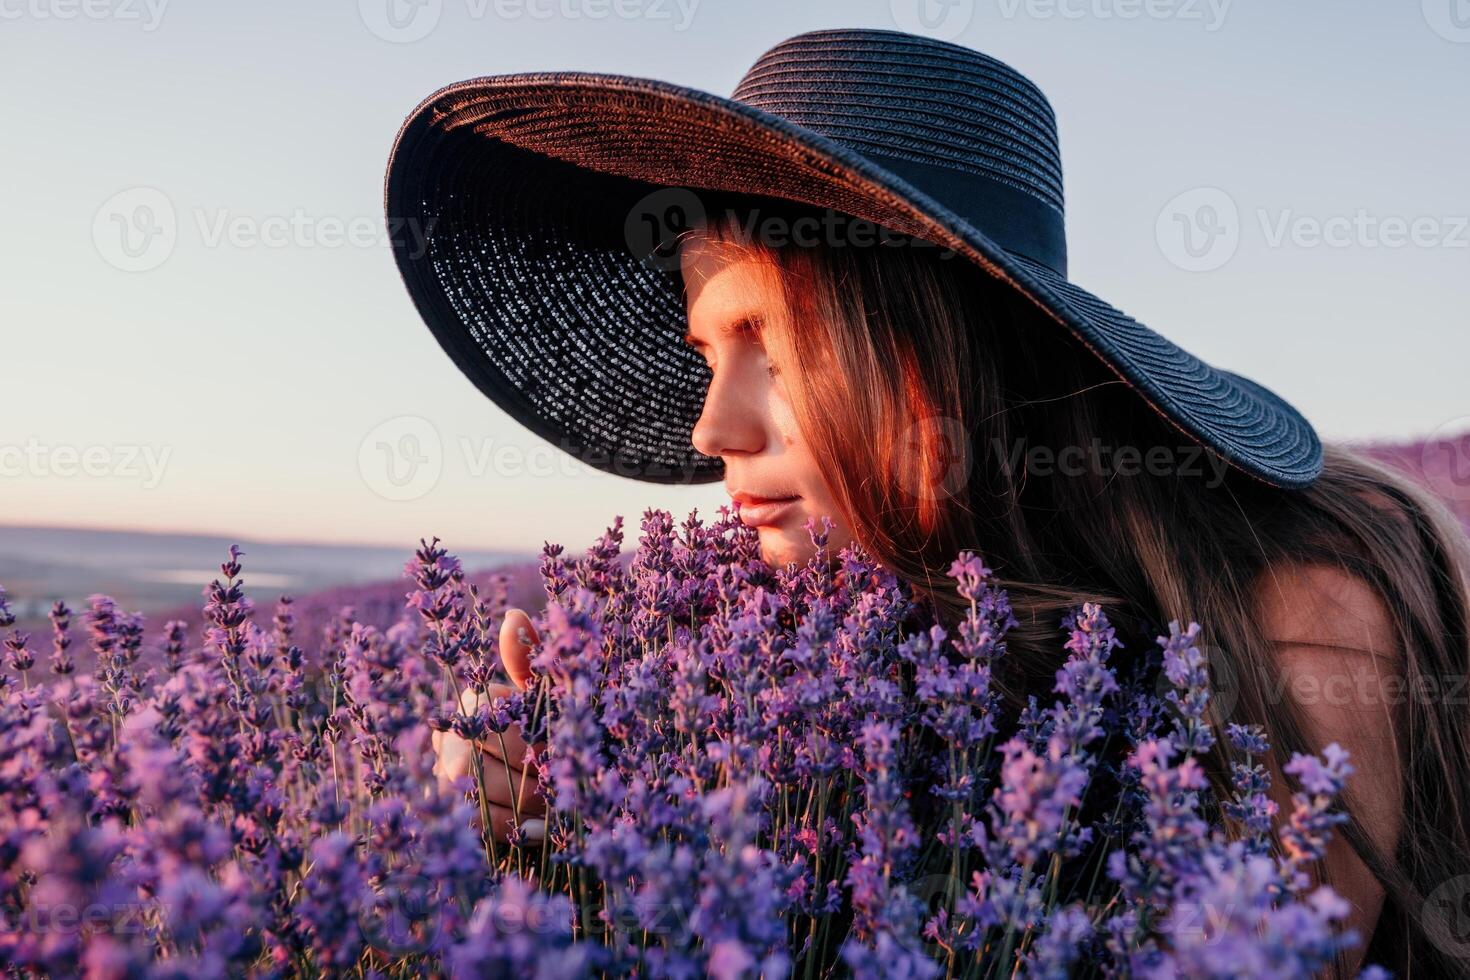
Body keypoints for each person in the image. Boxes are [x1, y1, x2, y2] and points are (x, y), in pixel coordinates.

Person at [391, 29, 1470, 976]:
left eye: (776, 346)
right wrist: (556, 830)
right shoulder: (847, 620)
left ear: (943, 357)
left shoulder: (1299, 610)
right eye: (709, 354)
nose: (712, 430)